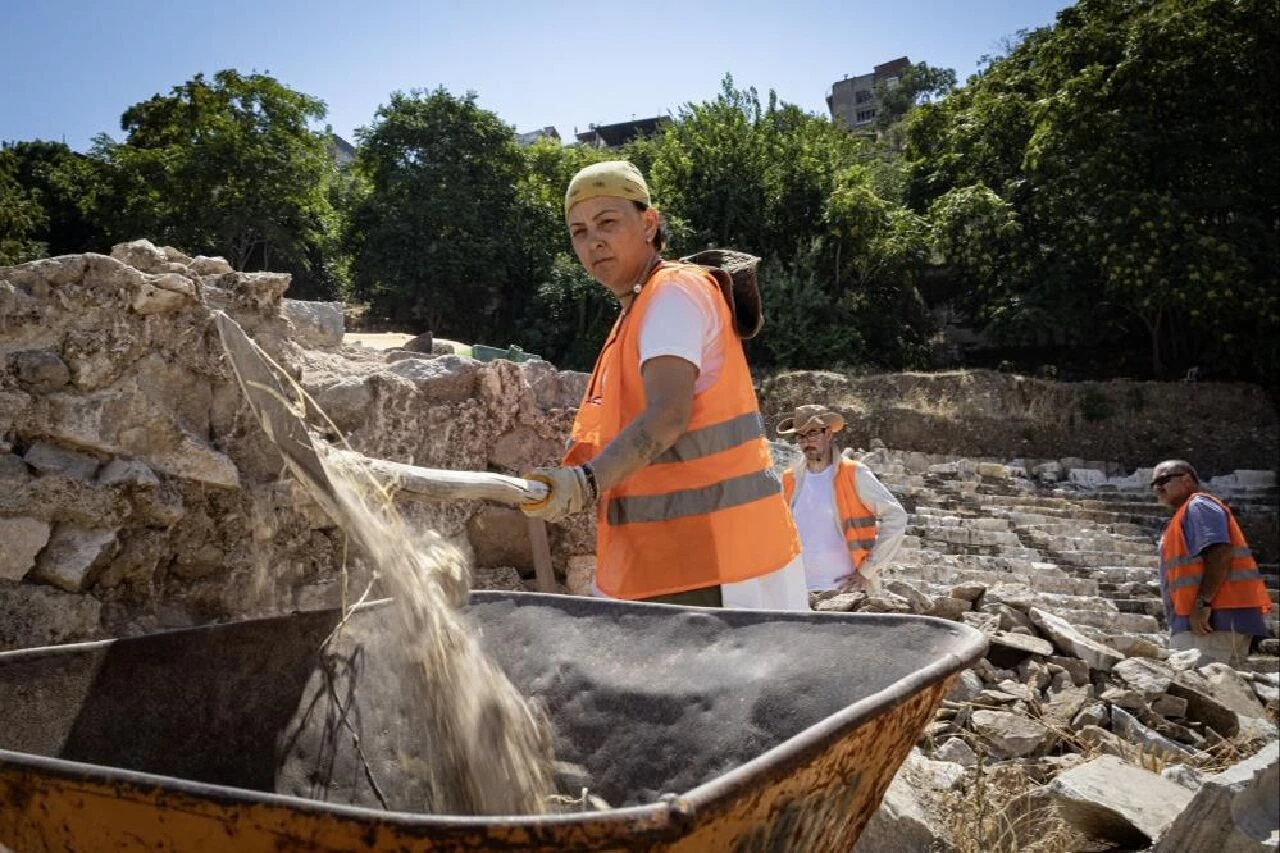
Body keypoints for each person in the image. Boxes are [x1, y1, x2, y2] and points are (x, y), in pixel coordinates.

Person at [521, 160, 806, 610]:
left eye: (607, 222)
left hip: (710, 567)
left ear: (649, 223)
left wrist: (584, 482)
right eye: (578, 231)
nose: (593, 240)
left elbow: (668, 415)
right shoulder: (639, 309)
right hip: (679, 565)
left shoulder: (672, 293)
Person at [1151, 459, 1271, 666]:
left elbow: (1220, 552)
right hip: (1203, 622)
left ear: (1187, 480)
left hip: (1213, 621)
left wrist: (1202, 603)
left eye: (1164, 480)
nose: (1158, 487)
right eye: (1154, 484)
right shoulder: (1184, 514)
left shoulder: (1200, 506)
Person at [777, 405, 907, 594]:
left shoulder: (854, 473)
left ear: (828, 434)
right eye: (801, 436)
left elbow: (896, 516)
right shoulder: (789, 479)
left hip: (845, 594)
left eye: (812, 433)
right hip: (798, 592)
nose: (807, 442)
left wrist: (867, 571)